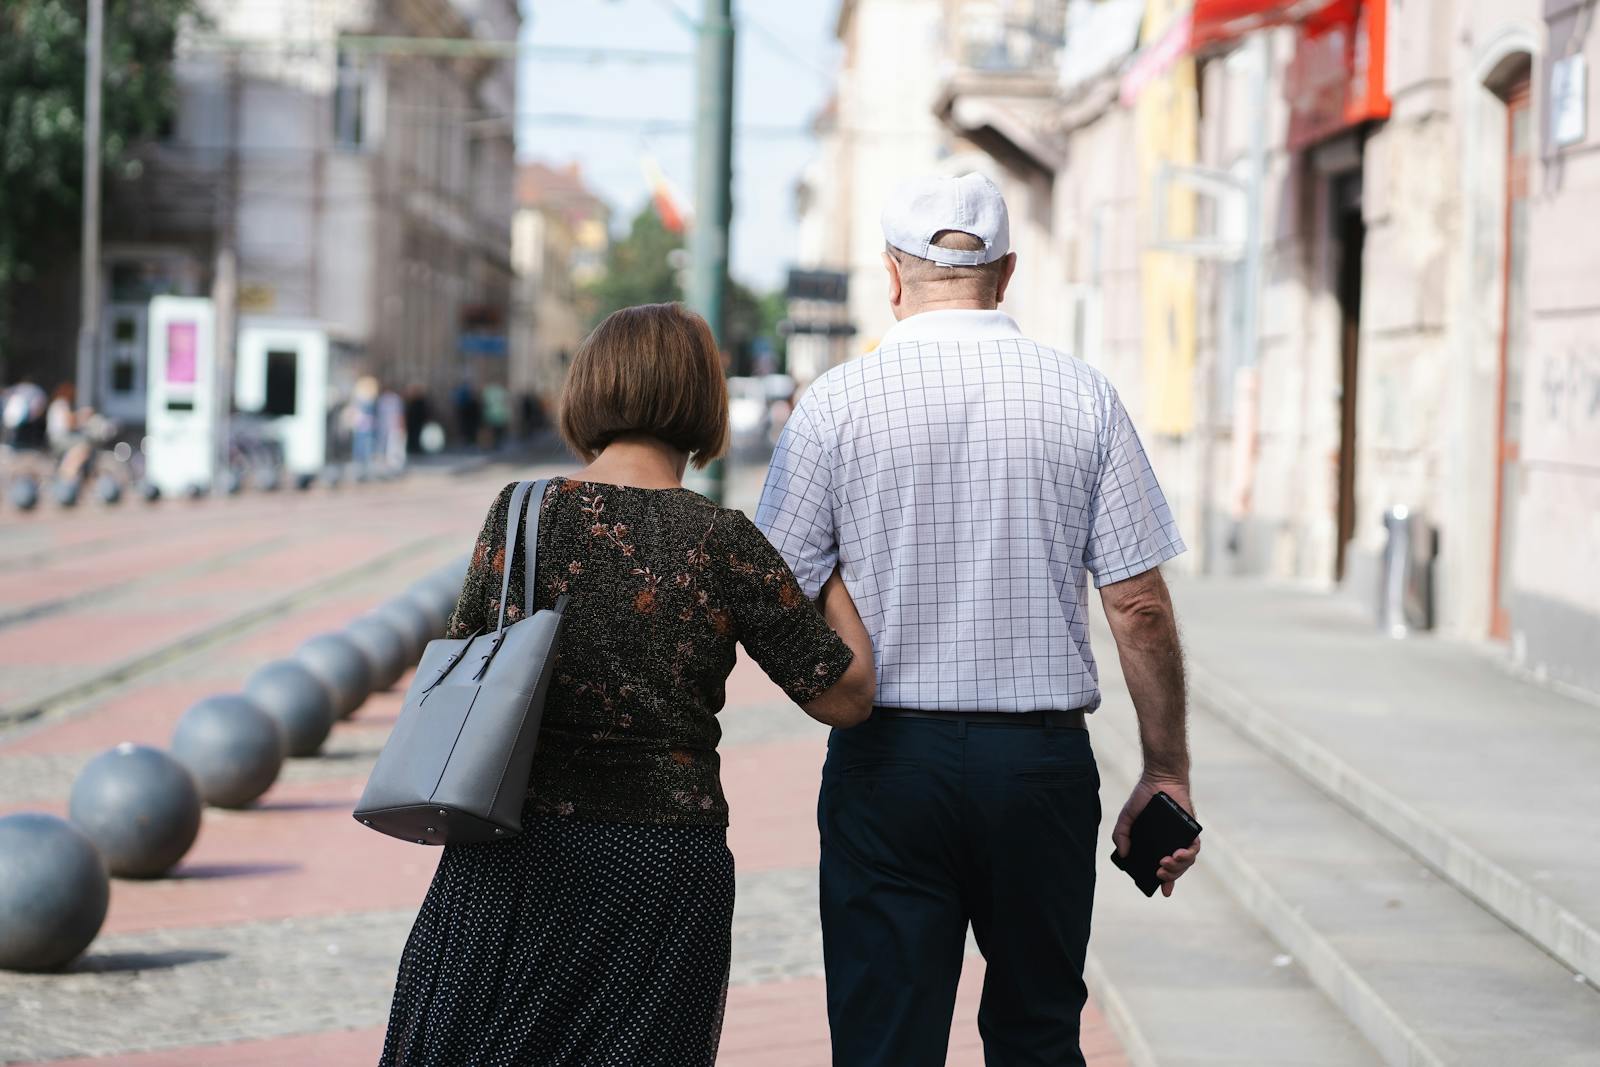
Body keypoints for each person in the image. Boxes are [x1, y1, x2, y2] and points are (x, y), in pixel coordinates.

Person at [756, 173, 1201, 1066]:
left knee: (885, 1042)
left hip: (886, 762)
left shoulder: (834, 407)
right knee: (1039, 1035)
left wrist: (845, 596)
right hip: (1037, 767)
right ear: (1006, 273)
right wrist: (1165, 766)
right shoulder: (1084, 397)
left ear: (892, 275)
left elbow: (773, 590)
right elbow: (1139, 604)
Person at [379, 302, 877, 1067]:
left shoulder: (520, 514)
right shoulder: (723, 539)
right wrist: (831, 574)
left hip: (512, 852)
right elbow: (846, 695)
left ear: (590, 389)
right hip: (662, 868)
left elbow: (461, 661)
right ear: (702, 404)